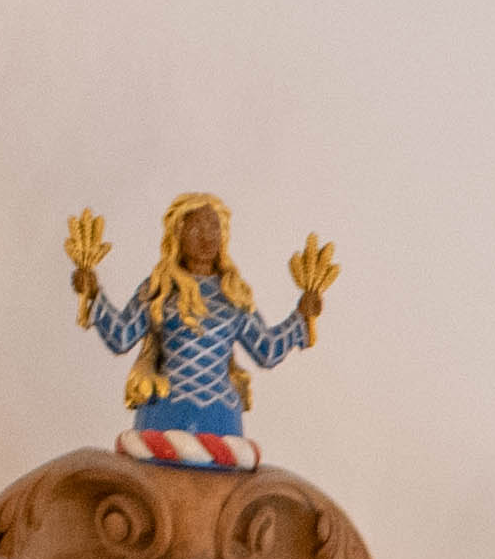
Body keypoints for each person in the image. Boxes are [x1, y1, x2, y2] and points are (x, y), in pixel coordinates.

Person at [69, 196, 336, 464]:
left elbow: (266, 349)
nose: (207, 236)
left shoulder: (233, 293)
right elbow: (122, 335)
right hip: (164, 416)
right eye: (196, 227)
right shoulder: (160, 287)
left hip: (222, 424)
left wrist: (301, 316)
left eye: (214, 227)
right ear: (178, 234)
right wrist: (92, 294)